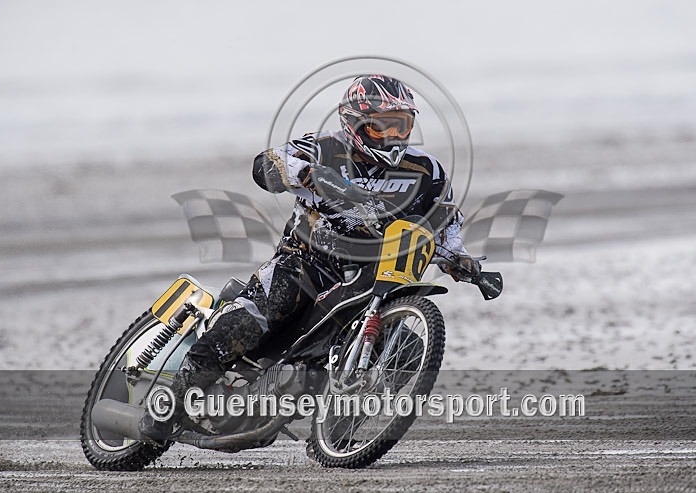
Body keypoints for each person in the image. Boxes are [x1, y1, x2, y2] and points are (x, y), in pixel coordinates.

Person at [139, 74, 480, 441]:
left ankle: (340, 430)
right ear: (354, 124)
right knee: (255, 318)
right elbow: (266, 164)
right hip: (303, 262)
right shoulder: (323, 149)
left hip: (369, 275)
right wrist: (308, 174)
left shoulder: (428, 171)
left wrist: (458, 257)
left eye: (402, 125)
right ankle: (165, 407)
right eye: (382, 127)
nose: (393, 135)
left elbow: (447, 220)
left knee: (407, 351)